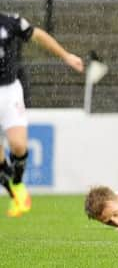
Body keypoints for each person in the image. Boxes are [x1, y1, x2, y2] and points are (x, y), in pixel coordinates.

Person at [0, 12, 84, 217]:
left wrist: (66, 56)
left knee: (18, 145)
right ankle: (17, 194)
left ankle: (17, 183)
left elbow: (39, 36)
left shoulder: (10, 22)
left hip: (9, 91)